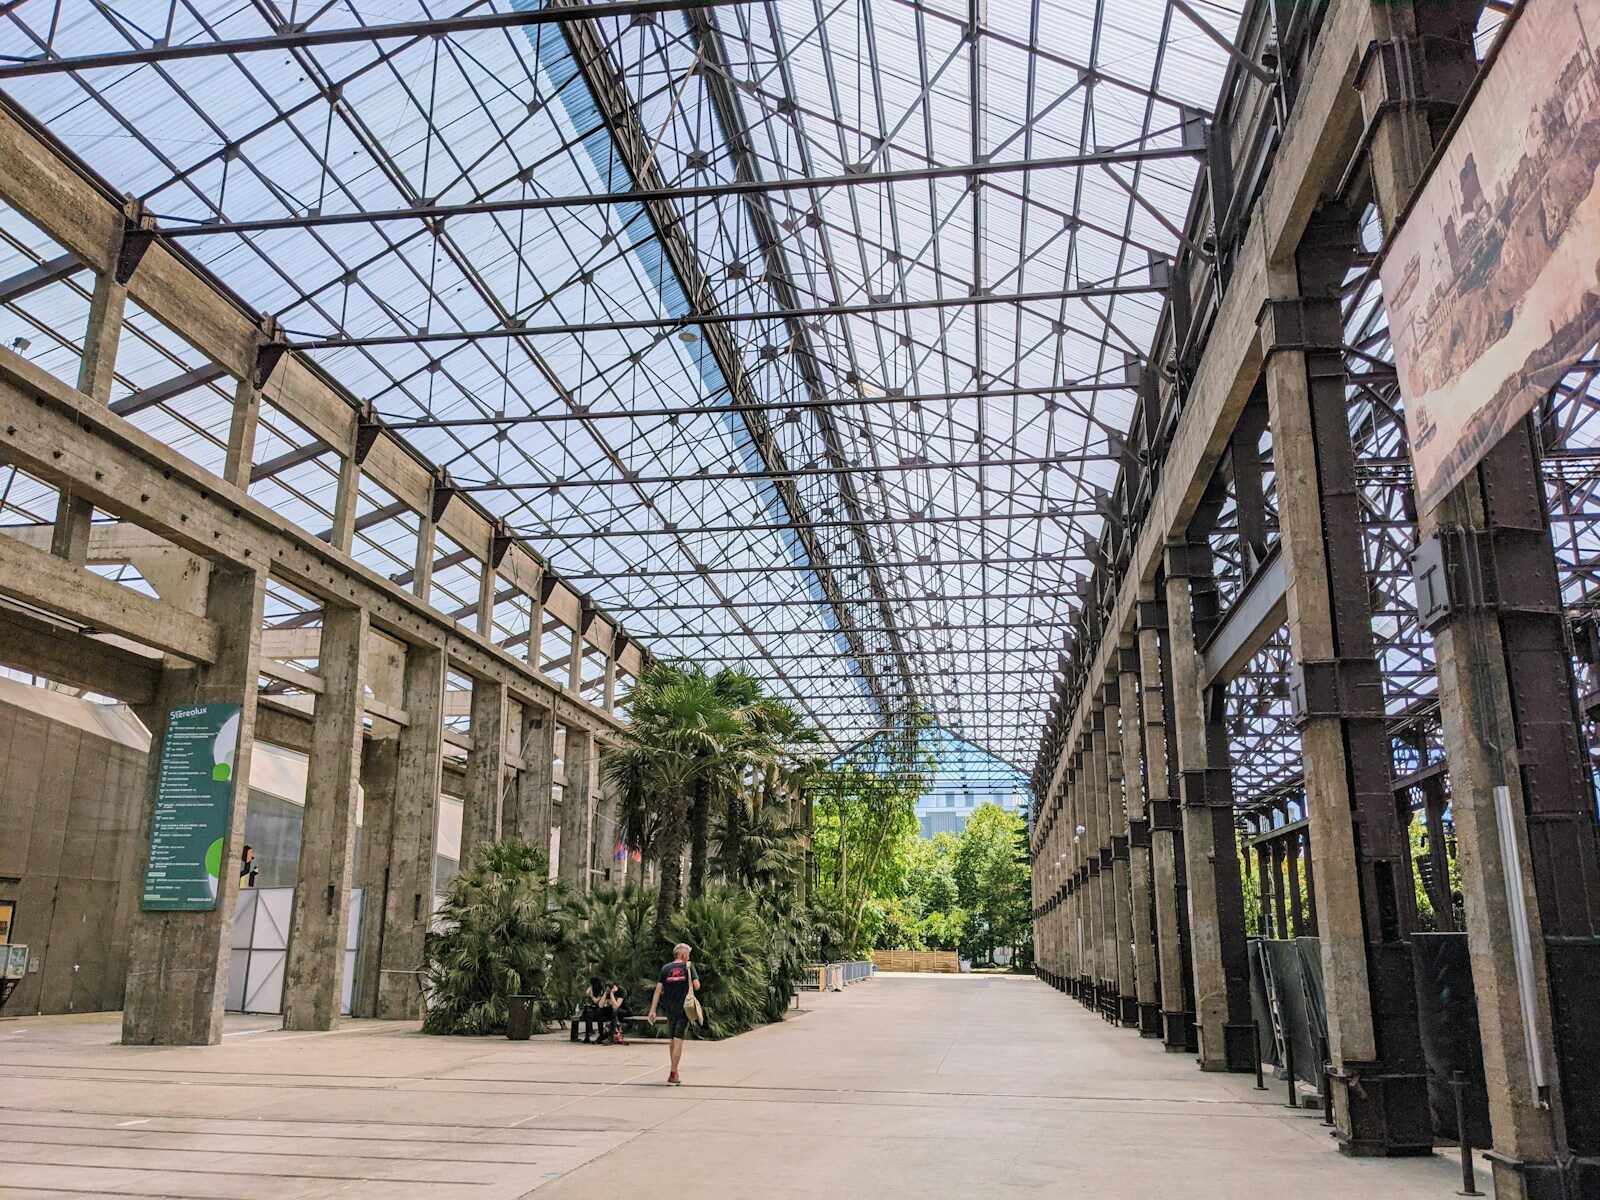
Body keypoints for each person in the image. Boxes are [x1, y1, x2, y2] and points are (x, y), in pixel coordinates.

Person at [647, 943, 700, 1085]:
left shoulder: (665, 968)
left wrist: (652, 1010)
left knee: (672, 1039)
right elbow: (697, 986)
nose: (688, 956)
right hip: (683, 1008)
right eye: (688, 954)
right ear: (683, 955)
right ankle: (673, 1073)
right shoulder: (688, 966)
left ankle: (674, 1070)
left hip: (669, 1009)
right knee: (678, 1040)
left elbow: (658, 990)